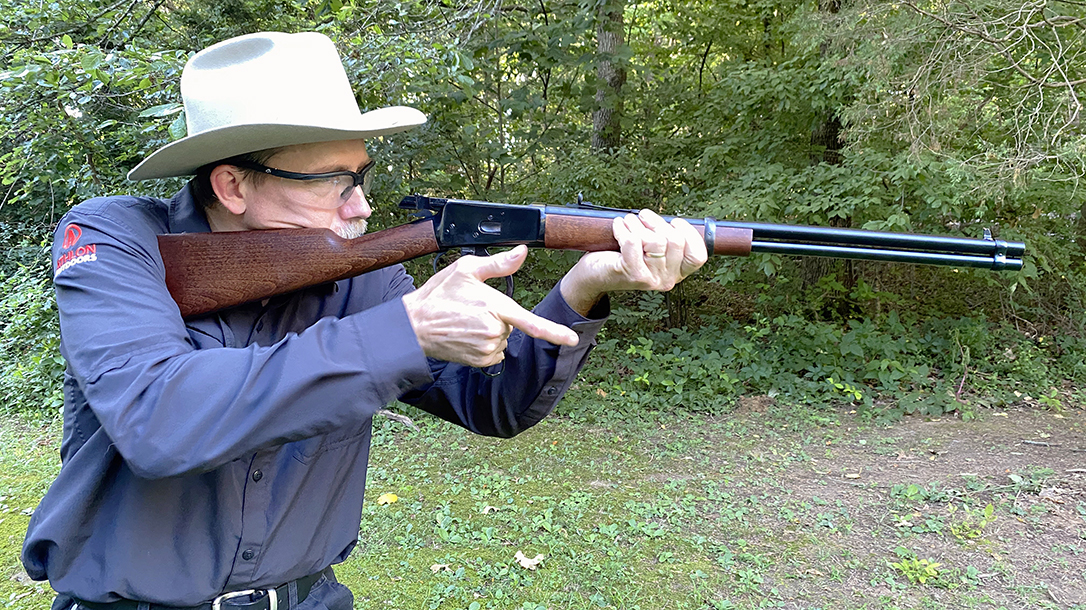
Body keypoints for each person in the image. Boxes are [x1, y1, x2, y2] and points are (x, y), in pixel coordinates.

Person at [22, 31, 708, 610]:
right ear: (232, 185)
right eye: (333, 181)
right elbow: (157, 416)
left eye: (362, 176)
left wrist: (586, 284)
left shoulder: (360, 272)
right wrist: (404, 331)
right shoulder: (116, 238)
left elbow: (493, 402)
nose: (361, 207)